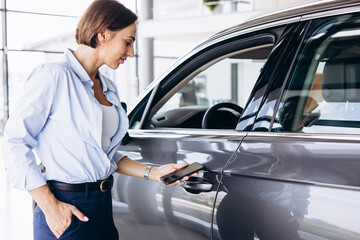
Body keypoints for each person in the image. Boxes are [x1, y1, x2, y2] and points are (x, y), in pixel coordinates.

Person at [3, 1, 194, 239]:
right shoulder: (54, 77)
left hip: (102, 203)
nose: (132, 53)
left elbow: (102, 155)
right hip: (66, 206)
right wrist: (50, 206)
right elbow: (15, 142)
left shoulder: (108, 87)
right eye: (128, 41)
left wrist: (154, 173)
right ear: (102, 34)